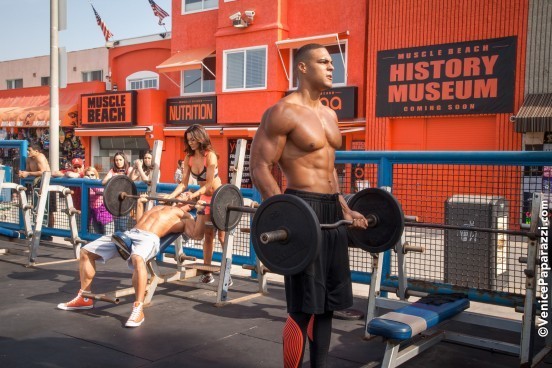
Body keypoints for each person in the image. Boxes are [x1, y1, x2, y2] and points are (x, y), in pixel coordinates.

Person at [249, 43, 369, 368]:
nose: (331, 67)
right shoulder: (283, 112)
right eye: (323, 62)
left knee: (328, 304)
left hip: (331, 211)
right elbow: (259, 165)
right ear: (302, 68)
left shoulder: (330, 115)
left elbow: (329, 169)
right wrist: (282, 215)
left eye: (332, 62)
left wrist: (345, 209)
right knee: (302, 307)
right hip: (301, 210)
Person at [57, 194, 207, 327]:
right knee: (86, 251)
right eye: (183, 193)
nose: (183, 194)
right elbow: (138, 220)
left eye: (187, 194)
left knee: (137, 258)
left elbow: (197, 235)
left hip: (149, 239)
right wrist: (140, 203)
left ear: (190, 204)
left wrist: (200, 211)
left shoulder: (185, 217)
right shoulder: (160, 206)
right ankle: (84, 298)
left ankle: (138, 309)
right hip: (130, 233)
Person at [166, 124, 226, 284]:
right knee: (207, 235)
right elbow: (183, 184)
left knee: (222, 236)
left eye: (193, 139)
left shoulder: (210, 156)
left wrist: (193, 195)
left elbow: (208, 184)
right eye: (188, 140)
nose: (190, 142)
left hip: (219, 198)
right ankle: (207, 273)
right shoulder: (189, 158)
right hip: (204, 199)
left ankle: (227, 274)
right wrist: (171, 196)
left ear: (201, 138)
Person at [18, 143, 56, 235]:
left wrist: (28, 174)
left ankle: (48, 233)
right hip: (37, 185)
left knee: (48, 210)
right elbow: (28, 171)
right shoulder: (29, 159)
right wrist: (23, 172)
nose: (28, 152)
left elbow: (43, 171)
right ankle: (39, 231)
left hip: (47, 184)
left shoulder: (40, 157)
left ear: (36, 151)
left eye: (30, 150)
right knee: (37, 208)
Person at [102, 152, 133, 232]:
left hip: (126, 201)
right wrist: (115, 177)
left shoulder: (129, 169)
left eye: (120, 160)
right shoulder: (113, 170)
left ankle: (124, 242)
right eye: (116, 160)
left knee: (123, 225)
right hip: (115, 200)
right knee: (116, 225)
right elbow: (104, 181)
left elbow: (130, 180)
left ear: (124, 160)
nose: (118, 162)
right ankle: (117, 242)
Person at [84, 166, 114, 235]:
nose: (90, 177)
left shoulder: (100, 182)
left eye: (92, 175)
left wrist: (89, 182)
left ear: (96, 175)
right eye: (88, 175)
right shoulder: (85, 185)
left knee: (108, 236)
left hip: (104, 213)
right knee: (94, 236)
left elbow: (100, 191)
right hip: (93, 213)